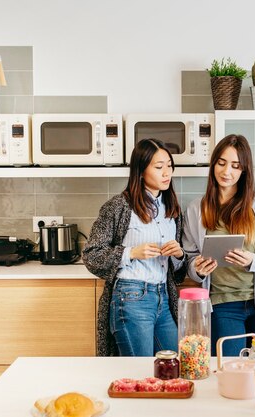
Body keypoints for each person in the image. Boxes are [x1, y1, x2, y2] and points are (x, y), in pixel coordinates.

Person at [183, 134, 255, 356]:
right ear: (213, 165)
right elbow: (189, 256)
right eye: (221, 163)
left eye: (235, 166)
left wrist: (254, 260)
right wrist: (197, 268)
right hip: (223, 303)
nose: (226, 172)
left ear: (244, 170)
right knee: (229, 369)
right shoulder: (196, 209)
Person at [82, 138, 186, 356]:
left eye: (169, 165)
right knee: (141, 372)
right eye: (159, 167)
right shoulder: (118, 207)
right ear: (140, 171)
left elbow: (177, 272)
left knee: (173, 367)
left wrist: (178, 255)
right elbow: (91, 255)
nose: (167, 172)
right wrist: (131, 252)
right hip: (131, 296)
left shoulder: (172, 210)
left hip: (164, 297)